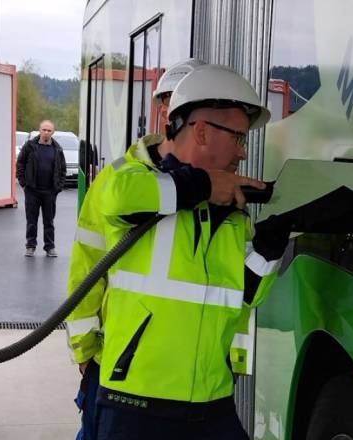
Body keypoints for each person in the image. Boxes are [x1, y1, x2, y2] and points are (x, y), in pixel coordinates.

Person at [93, 65, 290, 439]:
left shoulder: (232, 213)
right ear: (201, 131)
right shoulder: (132, 175)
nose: (243, 151)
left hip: (211, 404)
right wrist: (201, 184)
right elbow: (120, 198)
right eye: (238, 137)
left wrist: (269, 245)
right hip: (136, 404)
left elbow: (243, 297)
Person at [65, 59, 206, 440]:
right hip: (112, 361)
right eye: (168, 103)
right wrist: (85, 349)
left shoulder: (214, 191)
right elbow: (86, 267)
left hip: (182, 374)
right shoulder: (119, 180)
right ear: (161, 109)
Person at [16, 120, 66, 257]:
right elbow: (20, 163)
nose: (46, 132)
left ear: (53, 132)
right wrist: (24, 184)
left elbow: (63, 169)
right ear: (39, 130)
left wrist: (58, 187)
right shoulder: (30, 146)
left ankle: (49, 247)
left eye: (49, 130)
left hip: (50, 192)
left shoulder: (57, 149)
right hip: (32, 190)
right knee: (31, 220)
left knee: (49, 221)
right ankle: (30, 246)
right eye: (44, 129)